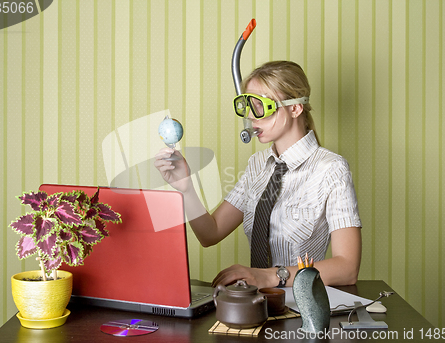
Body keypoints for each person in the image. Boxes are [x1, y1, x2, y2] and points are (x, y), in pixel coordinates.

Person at [154, 60, 361, 289]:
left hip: (302, 307)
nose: (252, 117)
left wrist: (270, 276)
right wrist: (186, 188)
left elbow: (347, 268)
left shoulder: (331, 169)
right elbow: (209, 234)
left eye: (260, 106)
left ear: (295, 108)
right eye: (246, 106)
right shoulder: (257, 164)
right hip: (256, 305)